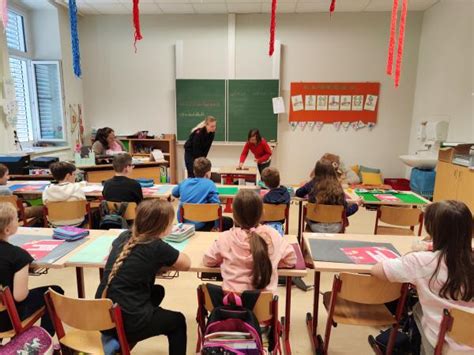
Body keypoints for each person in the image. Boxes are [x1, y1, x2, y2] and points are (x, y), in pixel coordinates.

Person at [371, 200, 474, 354]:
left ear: (433, 231)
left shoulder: (422, 262)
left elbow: (377, 270)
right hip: (469, 337)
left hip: (443, 344)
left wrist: (416, 254)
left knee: (417, 308)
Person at [96, 200, 190, 354]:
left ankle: (116, 339)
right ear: (163, 226)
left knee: (157, 291)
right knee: (178, 321)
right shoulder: (156, 246)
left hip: (104, 316)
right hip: (127, 320)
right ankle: (122, 337)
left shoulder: (124, 236)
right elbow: (186, 264)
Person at [203, 190, 296, 293]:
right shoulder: (273, 235)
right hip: (264, 306)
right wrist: (272, 261)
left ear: (234, 215)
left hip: (231, 304)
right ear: (262, 213)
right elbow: (291, 260)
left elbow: (208, 260)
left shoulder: (225, 238)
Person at [0, 203, 64, 336]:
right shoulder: (18, 255)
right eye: (16, 219)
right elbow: (19, 296)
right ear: (7, 230)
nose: (18, 221)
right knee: (53, 291)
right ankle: (43, 339)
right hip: (7, 320)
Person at [296, 159, 358, 233]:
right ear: (332, 171)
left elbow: (298, 193)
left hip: (315, 226)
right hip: (335, 228)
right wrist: (356, 205)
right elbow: (345, 212)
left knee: (306, 209)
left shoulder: (312, 183)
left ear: (316, 171)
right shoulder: (337, 186)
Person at [172, 157, 233, 231]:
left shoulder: (184, 182)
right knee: (229, 221)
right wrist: (216, 226)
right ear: (207, 174)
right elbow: (216, 206)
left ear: (194, 171)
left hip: (185, 223)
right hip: (203, 224)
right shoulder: (210, 184)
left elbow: (174, 193)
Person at [42, 161, 87, 226]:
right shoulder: (77, 188)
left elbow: (45, 205)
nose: (75, 177)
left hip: (55, 225)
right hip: (77, 223)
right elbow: (84, 205)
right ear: (68, 176)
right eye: (74, 174)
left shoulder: (47, 190)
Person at [261, 167, 290, 235]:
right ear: (279, 180)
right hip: (280, 224)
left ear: (265, 184)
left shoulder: (265, 198)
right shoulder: (286, 194)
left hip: (266, 225)